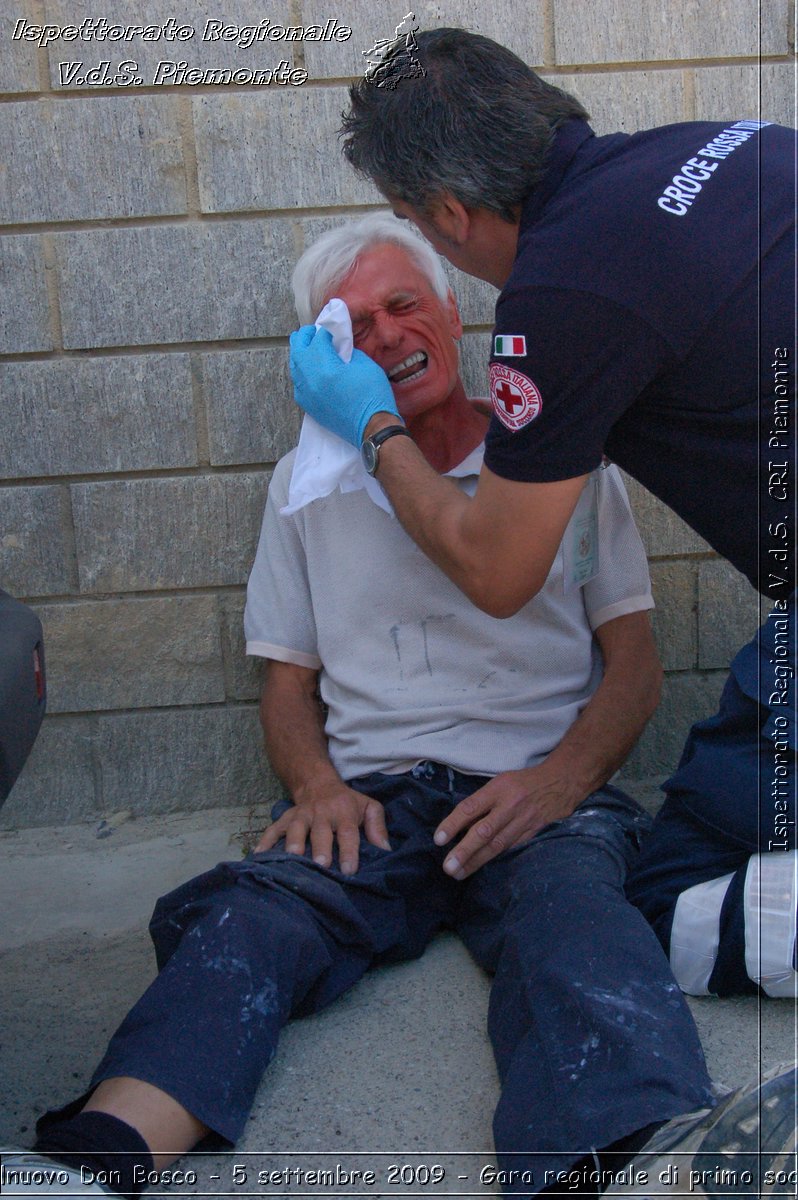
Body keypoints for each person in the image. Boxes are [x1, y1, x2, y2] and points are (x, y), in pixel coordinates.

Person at [3, 216, 793, 1199]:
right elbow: (286, 681)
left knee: (579, 920)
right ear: (325, 355)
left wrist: (557, 783)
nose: (382, 333)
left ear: (455, 314)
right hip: (379, 792)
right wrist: (317, 784)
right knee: (257, 914)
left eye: (402, 303)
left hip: (534, 787)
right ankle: (95, 1161)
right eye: (352, 322)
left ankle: (641, 1159)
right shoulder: (303, 489)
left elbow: (630, 664)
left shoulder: (558, 466)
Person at [288, 27, 797, 1004]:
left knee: (666, 901)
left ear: (450, 214)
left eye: (419, 242)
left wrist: (372, 426)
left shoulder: (561, 293)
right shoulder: (734, 145)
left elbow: (498, 569)